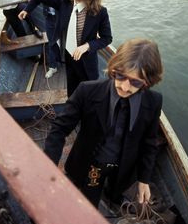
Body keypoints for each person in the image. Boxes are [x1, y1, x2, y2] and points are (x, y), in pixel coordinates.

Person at [44, 38, 163, 208]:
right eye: (120, 76)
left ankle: (112, 196)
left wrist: (144, 179)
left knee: (115, 196)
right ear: (114, 68)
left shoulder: (154, 101)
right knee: (88, 203)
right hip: (90, 165)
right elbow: (59, 129)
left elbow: (149, 142)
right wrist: (48, 165)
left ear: (148, 81)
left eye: (135, 82)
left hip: (124, 170)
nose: (124, 87)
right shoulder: (87, 90)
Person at [0, 0, 112, 96]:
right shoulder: (65, 3)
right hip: (68, 59)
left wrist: (88, 46)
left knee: (90, 95)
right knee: (72, 95)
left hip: (87, 64)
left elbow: (106, 38)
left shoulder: (100, 12)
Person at [19, 0, 69, 78]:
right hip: (49, 17)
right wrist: (26, 10)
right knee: (52, 42)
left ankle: (67, 62)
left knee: (67, 42)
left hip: (63, 18)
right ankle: (53, 66)